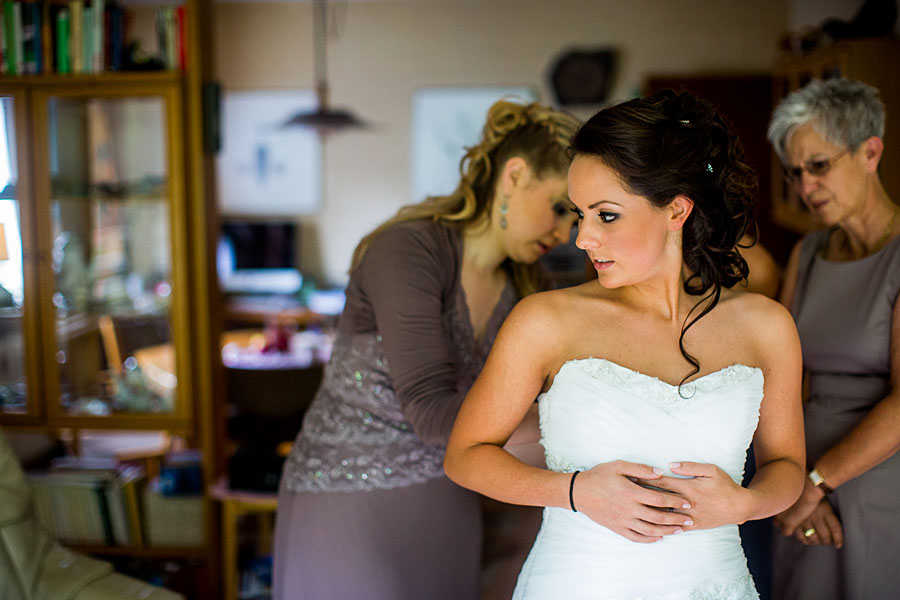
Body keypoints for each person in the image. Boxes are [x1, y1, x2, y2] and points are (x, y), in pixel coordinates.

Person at [444, 89, 806, 599]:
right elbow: (464, 456)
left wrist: (743, 505)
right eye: (579, 214)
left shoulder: (766, 327)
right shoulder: (546, 322)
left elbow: (787, 468)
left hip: (713, 582)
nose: (582, 238)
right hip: (579, 581)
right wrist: (575, 491)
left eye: (606, 215)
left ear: (676, 210)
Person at [272, 99, 580, 600]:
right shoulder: (409, 250)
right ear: (515, 175)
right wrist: (577, 418)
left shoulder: (528, 289)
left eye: (579, 217)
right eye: (561, 208)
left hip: (448, 501)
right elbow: (432, 413)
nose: (568, 233)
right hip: (347, 500)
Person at [767, 77, 900, 600]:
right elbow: (779, 375)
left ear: (871, 152)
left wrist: (816, 482)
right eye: (795, 173)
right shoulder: (809, 252)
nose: (804, 187)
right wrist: (793, 482)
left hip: (879, 482)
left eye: (819, 166)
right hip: (799, 483)